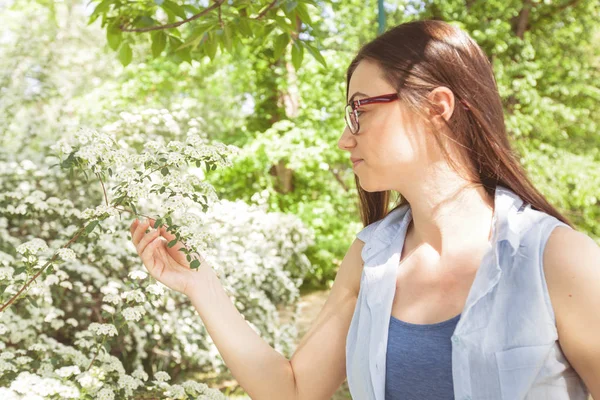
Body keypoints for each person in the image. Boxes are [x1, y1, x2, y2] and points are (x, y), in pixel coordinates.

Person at [130, 20, 600, 400]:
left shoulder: (556, 259)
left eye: (361, 109)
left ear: (437, 107)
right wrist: (200, 285)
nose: (344, 137)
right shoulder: (370, 258)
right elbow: (292, 391)